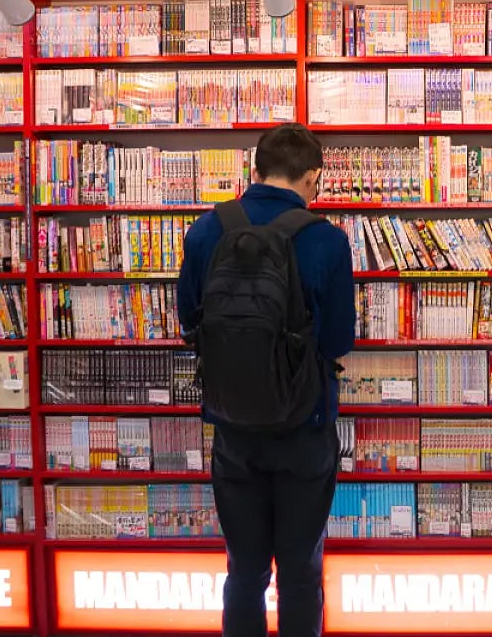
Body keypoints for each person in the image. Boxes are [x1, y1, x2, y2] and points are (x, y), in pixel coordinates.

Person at [176, 123, 355, 637]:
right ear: (313, 176)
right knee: (300, 575)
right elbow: (339, 340)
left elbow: (190, 320)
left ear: (256, 169)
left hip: (233, 429)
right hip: (304, 428)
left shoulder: (207, 230)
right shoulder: (326, 240)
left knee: (244, 573)